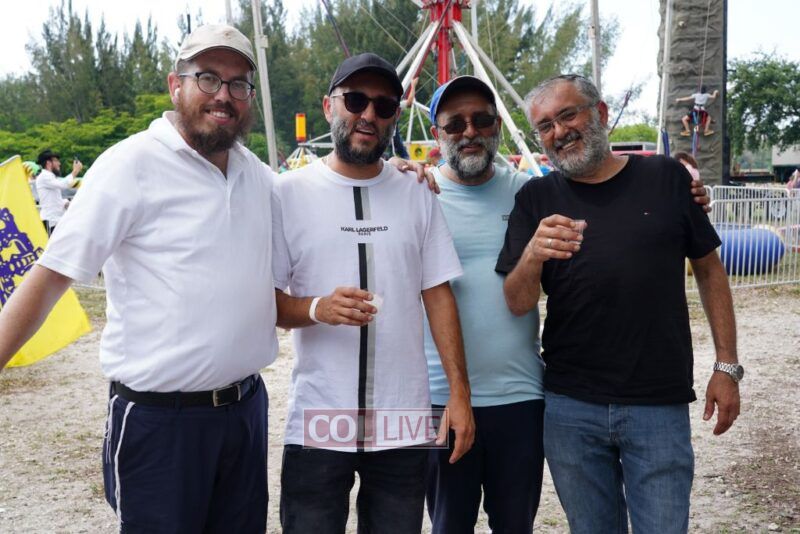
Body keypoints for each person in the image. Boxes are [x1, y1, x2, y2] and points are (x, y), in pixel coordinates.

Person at [0, 24, 280, 531]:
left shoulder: (255, 174)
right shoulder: (129, 165)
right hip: (161, 422)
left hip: (244, 414)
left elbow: (320, 198)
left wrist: (395, 174)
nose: (224, 95)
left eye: (239, 83)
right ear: (176, 85)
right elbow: (50, 278)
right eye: (209, 77)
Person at [422, 76, 712, 532]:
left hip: (522, 396)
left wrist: (686, 194)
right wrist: (397, 169)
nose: (469, 131)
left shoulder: (527, 190)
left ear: (497, 125)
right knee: (447, 524)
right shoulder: (416, 192)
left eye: (481, 120)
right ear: (436, 134)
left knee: (516, 524)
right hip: (439, 397)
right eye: (455, 124)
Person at [497, 74, 740, 533]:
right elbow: (517, 302)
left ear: (601, 113)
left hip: (658, 403)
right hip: (571, 407)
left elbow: (709, 270)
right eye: (545, 125)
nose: (559, 131)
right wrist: (532, 254)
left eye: (568, 115)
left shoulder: (665, 177)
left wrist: (726, 366)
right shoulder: (535, 197)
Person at [272, 53, 475, 533]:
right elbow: (268, 302)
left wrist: (459, 394)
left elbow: (438, 295)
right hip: (319, 414)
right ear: (328, 106)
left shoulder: (416, 190)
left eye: (383, 106)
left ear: (394, 118)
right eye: (356, 100)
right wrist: (318, 308)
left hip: (402, 417)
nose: (368, 114)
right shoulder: (287, 193)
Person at [34, 149, 82, 234]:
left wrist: (65, 203)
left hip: (56, 220)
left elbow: (53, 198)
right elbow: (63, 185)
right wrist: (75, 171)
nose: (59, 164)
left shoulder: (50, 177)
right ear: (48, 163)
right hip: (50, 220)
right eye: (56, 161)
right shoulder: (44, 176)